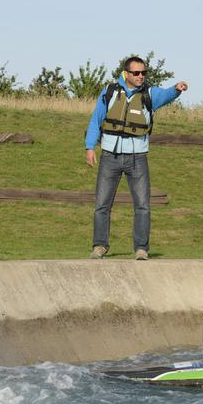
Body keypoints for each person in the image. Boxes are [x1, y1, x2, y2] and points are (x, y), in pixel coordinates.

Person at [85, 56, 188, 261]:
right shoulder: (110, 92)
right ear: (126, 74)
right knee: (102, 205)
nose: (141, 76)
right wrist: (90, 147)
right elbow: (96, 120)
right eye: (136, 73)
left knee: (142, 205)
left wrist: (176, 89)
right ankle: (100, 246)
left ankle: (141, 248)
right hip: (109, 155)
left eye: (143, 73)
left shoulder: (150, 94)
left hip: (138, 158)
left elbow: (166, 94)